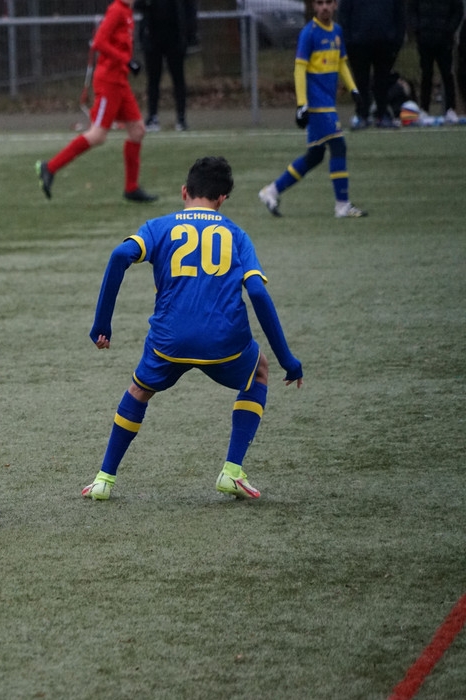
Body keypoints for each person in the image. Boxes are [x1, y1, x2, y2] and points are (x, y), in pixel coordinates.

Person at [83, 156, 303, 502]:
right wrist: (287, 359)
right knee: (260, 369)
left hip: (169, 341)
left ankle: (104, 479)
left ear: (184, 191)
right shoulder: (236, 234)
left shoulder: (158, 227)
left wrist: (102, 324)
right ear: (222, 199)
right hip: (225, 342)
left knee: (139, 390)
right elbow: (258, 293)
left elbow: (118, 256)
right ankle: (232, 471)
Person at [35, 0, 156, 203]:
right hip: (109, 82)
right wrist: (125, 60)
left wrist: (126, 62)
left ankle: (131, 188)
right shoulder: (117, 10)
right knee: (98, 134)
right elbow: (99, 42)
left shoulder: (127, 11)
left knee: (137, 131)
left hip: (120, 81)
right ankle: (50, 167)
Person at [258, 0, 367, 219]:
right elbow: (299, 70)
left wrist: (354, 89)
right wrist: (302, 104)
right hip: (317, 104)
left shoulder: (337, 31)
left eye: (328, 2)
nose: (324, 7)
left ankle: (272, 191)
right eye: (319, 3)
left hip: (328, 102)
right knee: (338, 145)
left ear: (335, 5)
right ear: (314, 7)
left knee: (315, 156)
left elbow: (341, 63)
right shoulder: (309, 33)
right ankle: (342, 205)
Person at [337, 0, 406, 128]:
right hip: (358, 44)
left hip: (385, 43)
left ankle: (382, 114)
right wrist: (348, 41)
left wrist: (397, 41)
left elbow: (400, 15)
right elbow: (344, 14)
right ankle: (362, 114)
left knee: (383, 81)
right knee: (361, 81)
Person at [135, 0, 198, 132]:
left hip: (175, 37)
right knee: (153, 79)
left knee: (178, 78)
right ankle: (152, 116)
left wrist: (190, 35)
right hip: (153, 36)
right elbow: (138, 6)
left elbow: (190, 8)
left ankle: (181, 118)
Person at [408, 0, 464, 122]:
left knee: (447, 75)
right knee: (426, 75)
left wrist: (449, 30)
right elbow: (412, 10)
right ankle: (424, 109)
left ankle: (450, 109)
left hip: (444, 41)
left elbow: (458, 11)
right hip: (425, 39)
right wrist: (418, 29)